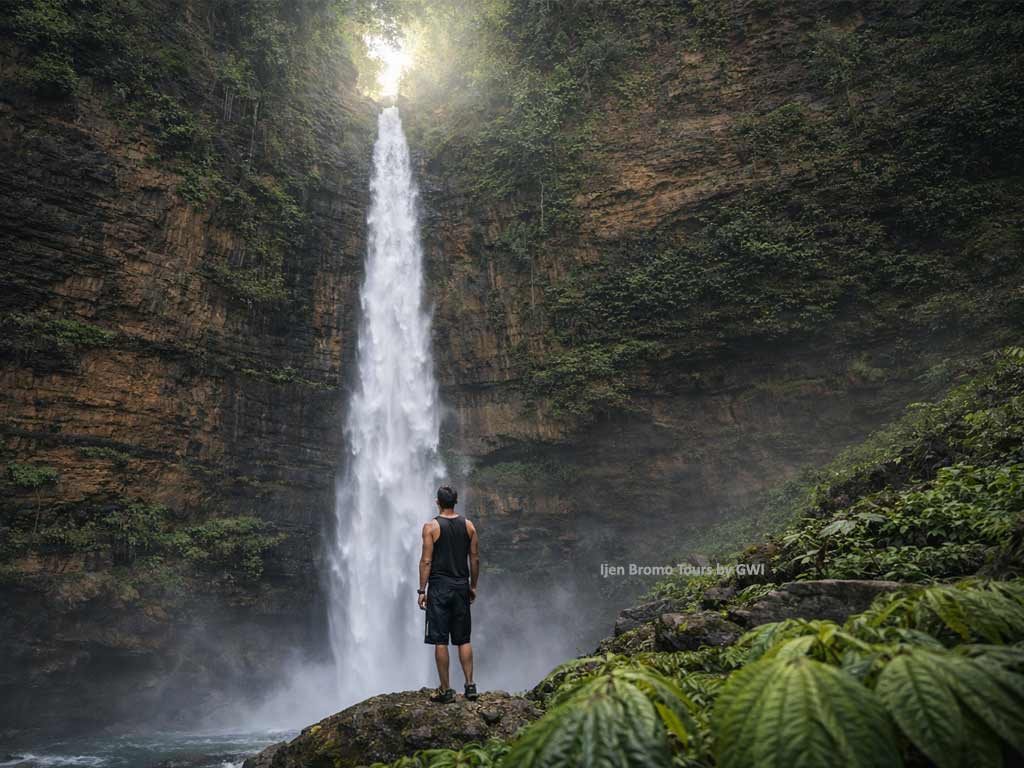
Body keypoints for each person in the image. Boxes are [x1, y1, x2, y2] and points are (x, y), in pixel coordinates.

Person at [417, 485, 480, 703]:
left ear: (438, 502)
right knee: (463, 639)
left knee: (440, 639)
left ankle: (445, 690)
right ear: (456, 501)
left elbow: (426, 560)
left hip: (439, 588)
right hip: (461, 586)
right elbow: (474, 558)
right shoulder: (469, 526)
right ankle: (470, 686)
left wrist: (421, 590)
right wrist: (473, 586)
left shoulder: (431, 527)